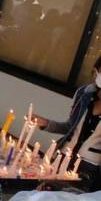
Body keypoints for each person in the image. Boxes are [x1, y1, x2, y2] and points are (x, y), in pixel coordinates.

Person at [34, 55, 101, 191]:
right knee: (42, 196)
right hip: (63, 157)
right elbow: (70, 127)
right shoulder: (84, 94)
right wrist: (46, 123)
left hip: (89, 169)